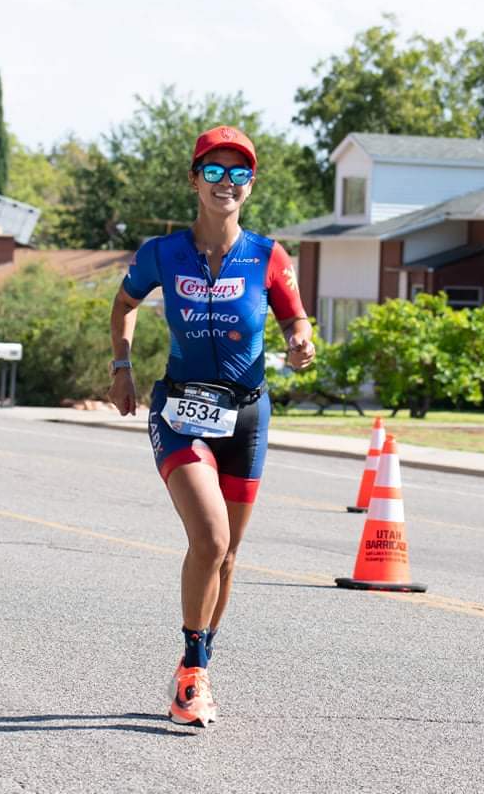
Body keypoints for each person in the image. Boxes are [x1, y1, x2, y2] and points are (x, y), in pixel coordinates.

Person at [108, 125, 315, 727]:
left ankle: (195, 662)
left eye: (239, 173)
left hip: (247, 413)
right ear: (195, 179)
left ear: (250, 185)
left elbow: (294, 321)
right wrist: (122, 367)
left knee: (229, 556)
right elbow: (124, 306)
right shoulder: (160, 254)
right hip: (179, 411)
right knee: (210, 539)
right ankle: (192, 680)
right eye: (215, 172)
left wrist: (300, 345)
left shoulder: (270, 256)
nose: (227, 183)